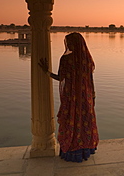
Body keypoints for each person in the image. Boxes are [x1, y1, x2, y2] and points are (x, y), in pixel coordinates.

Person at [39, 32, 99, 162]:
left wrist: (46, 72)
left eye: (68, 42)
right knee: (84, 122)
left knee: (71, 120)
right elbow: (90, 79)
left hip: (71, 98)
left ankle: (72, 151)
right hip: (86, 96)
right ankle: (85, 150)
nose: (67, 45)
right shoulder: (87, 59)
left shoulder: (66, 59)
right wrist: (93, 96)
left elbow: (61, 78)